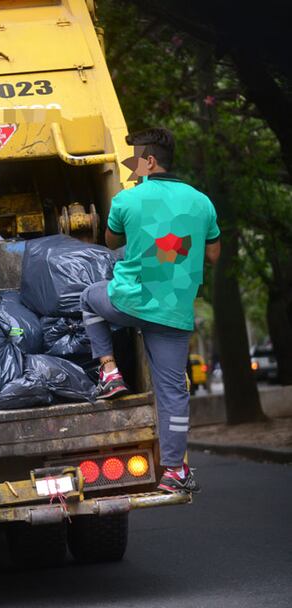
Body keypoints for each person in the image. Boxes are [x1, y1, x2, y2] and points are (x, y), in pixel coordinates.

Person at [80, 127, 220, 494]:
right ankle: (174, 471)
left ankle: (109, 371)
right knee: (173, 391)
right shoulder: (201, 202)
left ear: (150, 161)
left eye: (136, 159)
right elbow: (213, 254)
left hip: (129, 302)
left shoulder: (129, 200)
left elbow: (111, 241)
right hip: (174, 312)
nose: (133, 167)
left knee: (89, 298)